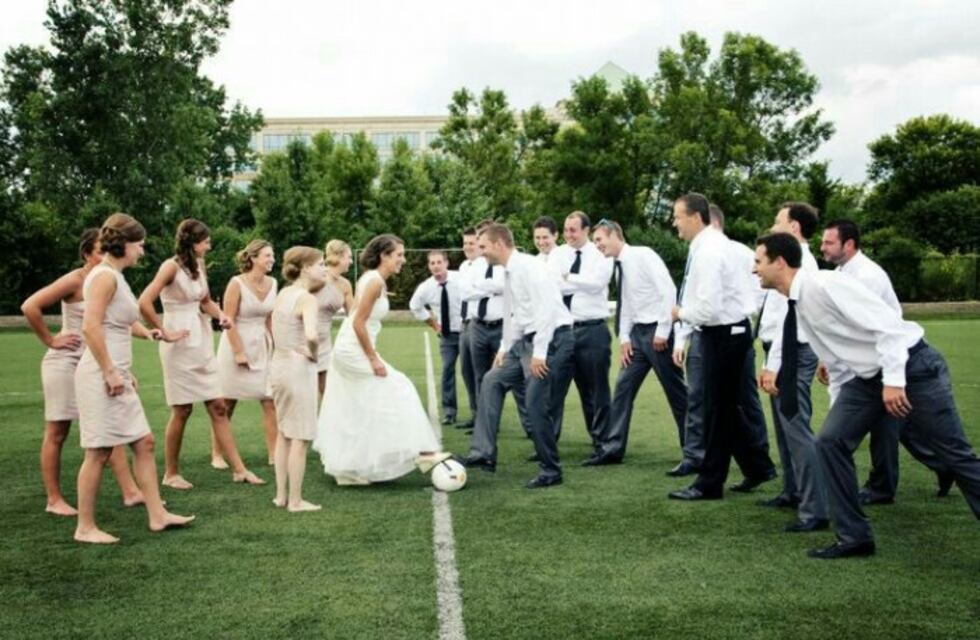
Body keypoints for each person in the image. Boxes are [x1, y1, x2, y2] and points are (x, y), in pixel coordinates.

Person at [753, 232, 980, 559]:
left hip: (912, 368)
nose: (754, 269)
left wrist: (895, 381)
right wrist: (842, 414)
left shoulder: (823, 284)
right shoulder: (798, 303)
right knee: (831, 441)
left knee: (956, 454)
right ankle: (855, 538)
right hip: (868, 378)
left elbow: (887, 325)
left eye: (758, 261)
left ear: (779, 262)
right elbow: (837, 361)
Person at [73, 213, 194, 543]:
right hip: (100, 376)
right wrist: (110, 371)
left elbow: (122, 322)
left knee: (144, 442)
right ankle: (85, 527)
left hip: (118, 374)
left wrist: (152, 334)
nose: (142, 251)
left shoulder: (116, 275)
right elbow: (90, 327)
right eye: (139, 245)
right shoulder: (103, 277)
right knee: (98, 452)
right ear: (123, 244)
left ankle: (157, 515)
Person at [820, 219, 953, 503]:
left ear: (849, 244)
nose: (822, 248)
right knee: (896, 425)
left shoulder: (867, 276)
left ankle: (885, 486)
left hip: (889, 360)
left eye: (828, 242)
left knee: (889, 426)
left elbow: (873, 328)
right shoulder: (842, 272)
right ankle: (940, 467)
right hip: (876, 362)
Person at [21, 229, 143, 515]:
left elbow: (117, 327)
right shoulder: (76, 279)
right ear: (87, 254)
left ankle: (131, 492)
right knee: (58, 431)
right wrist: (51, 340)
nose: (106, 255)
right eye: (100, 251)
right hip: (65, 362)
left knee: (108, 426)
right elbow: (30, 306)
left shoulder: (109, 279)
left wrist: (122, 369)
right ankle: (54, 500)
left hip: (96, 361)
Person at [314, 234, 450, 485]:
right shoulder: (374, 281)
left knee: (362, 403)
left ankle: (351, 468)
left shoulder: (374, 279)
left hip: (353, 346)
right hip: (352, 350)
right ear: (384, 256)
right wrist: (373, 358)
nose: (403, 260)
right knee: (400, 387)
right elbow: (357, 322)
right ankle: (422, 452)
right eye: (399, 255)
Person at [138, 219, 264, 489]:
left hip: (201, 339)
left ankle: (240, 470)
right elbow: (144, 301)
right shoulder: (170, 267)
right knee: (182, 409)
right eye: (206, 241)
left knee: (218, 406)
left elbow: (204, 301)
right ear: (192, 242)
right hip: (178, 343)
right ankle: (171, 474)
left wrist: (222, 316)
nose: (209, 245)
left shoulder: (200, 265)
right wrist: (163, 330)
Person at [668, 193, 775, 501]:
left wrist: (680, 314)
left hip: (722, 335)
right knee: (725, 409)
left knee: (717, 411)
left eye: (677, 216)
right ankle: (757, 467)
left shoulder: (709, 252)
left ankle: (709, 483)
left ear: (695, 217)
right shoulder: (717, 246)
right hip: (728, 333)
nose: (674, 223)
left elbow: (708, 308)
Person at [464, 223, 574, 488]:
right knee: (491, 380)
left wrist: (540, 353)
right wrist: (504, 348)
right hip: (526, 341)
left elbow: (547, 310)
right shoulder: (509, 271)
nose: (480, 252)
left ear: (499, 244)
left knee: (535, 404)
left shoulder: (529, 267)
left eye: (483, 246)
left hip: (551, 340)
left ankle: (551, 470)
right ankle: (483, 453)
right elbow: (516, 315)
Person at [756, 203, 830, 532]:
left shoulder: (802, 265)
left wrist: (775, 364)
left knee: (796, 428)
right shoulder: (785, 262)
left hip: (794, 351)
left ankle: (815, 510)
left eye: (778, 222)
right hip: (781, 350)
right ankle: (794, 491)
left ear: (795, 227)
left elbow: (793, 321)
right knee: (786, 428)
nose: (773, 227)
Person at [591, 219, 687, 464]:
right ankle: (612, 450)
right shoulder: (618, 267)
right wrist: (624, 338)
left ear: (615, 235)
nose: (597, 245)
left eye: (599, 239)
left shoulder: (644, 255)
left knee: (677, 394)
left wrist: (663, 330)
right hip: (637, 337)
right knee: (623, 389)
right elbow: (627, 305)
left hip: (658, 334)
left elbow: (668, 290)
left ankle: (695, 452)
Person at [550, 212, 614, 453]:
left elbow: (597, 284)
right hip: (562, 331)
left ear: (586, 230)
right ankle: (548, 442)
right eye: (566, 230)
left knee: (596, 390)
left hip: (592, 330)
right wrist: (579, 281)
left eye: (573, 230)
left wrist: (568, 277)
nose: (568, 235)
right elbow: (552, 284)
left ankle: (602, 442)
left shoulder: (601, 253)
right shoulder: (557, 254)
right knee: (554, 388)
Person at [269, 246, 327, 512]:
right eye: (320, 264)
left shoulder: (283, 293)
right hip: (297, 368)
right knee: (300, 437)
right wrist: (313, 353)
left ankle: (281, 496)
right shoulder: (307, 298)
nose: (324, 268)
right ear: (305, 268)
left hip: (278, 365)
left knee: (284, 433)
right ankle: (295, 500)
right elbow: (312, 335)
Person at [213, 240, 278, 469]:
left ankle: (274, 454)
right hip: (235, 344)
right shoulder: (236, 283)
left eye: (272, 255)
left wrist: (277, 346)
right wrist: (239, 352)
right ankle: (217, 454)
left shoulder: (273, 283)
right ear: (253, 258)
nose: (272, 259)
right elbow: (228, 320)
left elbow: (269, 319)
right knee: (227, 402)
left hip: (262, 345)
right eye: (267, 255)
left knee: (269, 400)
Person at [409, 250, 464, 425]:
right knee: (447, 370)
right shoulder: (426, 287)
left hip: (467, 332)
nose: (436, 266)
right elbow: (414, 306)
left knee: (471, 373)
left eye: (439, 262)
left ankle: (478, 412)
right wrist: (433, 324)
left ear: (446, 263)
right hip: (447, 336)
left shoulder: (461, 278)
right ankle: (449, 411)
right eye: (432, 263)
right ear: (429, 266)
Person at [315, 240, 355, 398]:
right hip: (304, 337)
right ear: (339, 256)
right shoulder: (316, 277)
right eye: (349, 257)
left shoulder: (345, 284)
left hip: (325, 340)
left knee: (327, 390)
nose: (351, 261)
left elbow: (353, 315)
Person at [455, 227, 481, 428]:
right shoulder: (464, 266)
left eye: (471, 243)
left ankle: (484, 417)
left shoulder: (484, 265)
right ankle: (475, 414)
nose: (467, 247)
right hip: (464, 324)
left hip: (477, 323)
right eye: (465, 243)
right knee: (466, 371)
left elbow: (474, 292)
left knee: (480, 373)